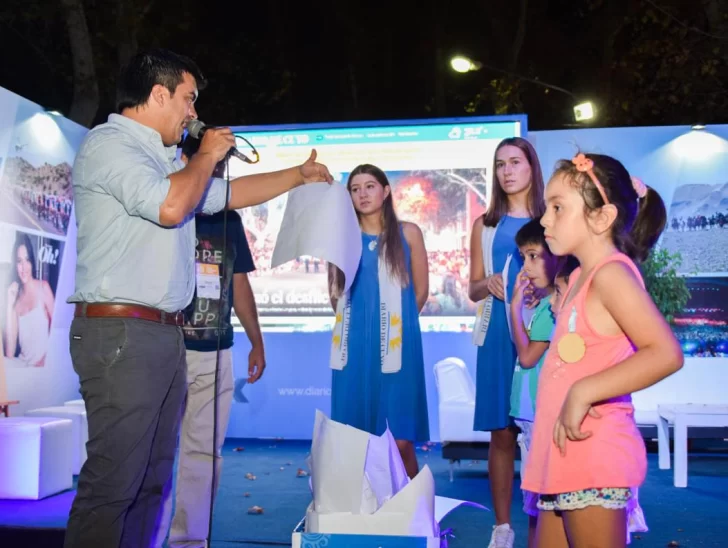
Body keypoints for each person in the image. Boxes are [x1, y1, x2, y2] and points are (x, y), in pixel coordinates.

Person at [64, 48, 331, 548]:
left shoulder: (164, 159)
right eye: (188, 99)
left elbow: (228, 195)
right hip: (122, 332)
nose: (193, 112)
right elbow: (171, 206)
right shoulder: (110, 144)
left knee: (152, 480)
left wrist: (298, 175)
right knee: (114, 483)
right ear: (158, 94)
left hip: (163, 333)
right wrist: (206, 155)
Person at [522, 153, 683, 547]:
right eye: (546, 208)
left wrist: (584, 391)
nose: (545, 221)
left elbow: (665, 353)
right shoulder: (580, 276)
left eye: (557, 208)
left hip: (593, 454)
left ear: (601, 218)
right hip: (562, 456)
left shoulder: (612, 273)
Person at [153, 136, 265, 547]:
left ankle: (189, 541)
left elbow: (239, 283)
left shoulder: (229, 218)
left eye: (222, 164)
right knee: (155, 453)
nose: (218, 170)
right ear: (186, 157)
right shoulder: (164, 203)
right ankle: (148, 537)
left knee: (205, 453)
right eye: (212, 160)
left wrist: (256, 340)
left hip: (216, 350)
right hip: (165, 347)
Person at [328, 164, 429, 479]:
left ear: (385, 191)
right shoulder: (342, 238)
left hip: (398, 349)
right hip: (354, 350)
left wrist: (393, 328)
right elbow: (335, 295)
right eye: (355, 189)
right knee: (355, 442)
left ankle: (412, 506)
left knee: (400, 441)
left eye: (370, 186)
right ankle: (364, 508)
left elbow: (420, 293)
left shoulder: (409, 233)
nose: (363, 194)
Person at [468, 137, 545, 548]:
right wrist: (490, 283)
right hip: (498, 332)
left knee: (541, 431)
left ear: (532, 166)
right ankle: (502, 527)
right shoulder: (485, 224)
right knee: (502, 433)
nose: (507, 171)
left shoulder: (553, 217)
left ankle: (541, 525)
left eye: (515, 162)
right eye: (500, 164)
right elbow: (473, 289)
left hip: (542, 331)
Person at [508, 219, 575, 548]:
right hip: (531, 417)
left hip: (540, 415)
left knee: (541, 500)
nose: (526, 266)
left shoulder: (552, 310)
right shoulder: (546, 306)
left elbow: (526, 357)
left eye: (533, 255)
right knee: (537, 501)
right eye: (523, 257)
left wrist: (513, 307)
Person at [4, 232, 55, 367]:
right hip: (24, 366)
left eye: (27, 260)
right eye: (19, 261)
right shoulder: (16, 299)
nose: (24, 267)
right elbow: (9, 353)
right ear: (15, 265)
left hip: (42, 368)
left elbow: (58, 331)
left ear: (32, 262)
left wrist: (45, 359)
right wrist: (9, 304)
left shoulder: (44, 288)